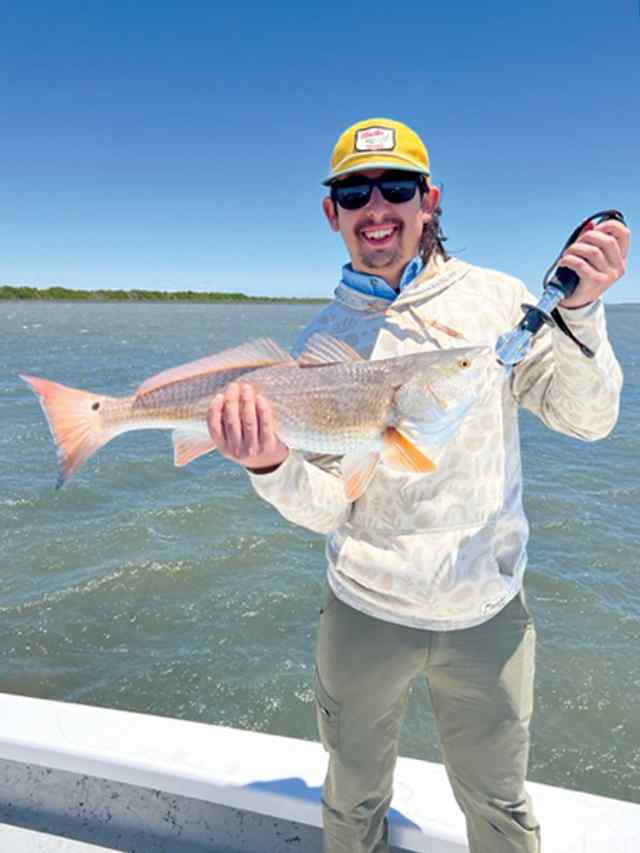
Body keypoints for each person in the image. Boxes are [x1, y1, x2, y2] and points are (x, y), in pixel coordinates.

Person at [206, 118, 631, 853]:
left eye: (397, 186)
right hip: (364, 609)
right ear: (331, 212)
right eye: (354, 190)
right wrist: (270, 466)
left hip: (487, 612)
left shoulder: (499, 306)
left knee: (500, 806)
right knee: (352, 797)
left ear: (428, 199)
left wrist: (583, 311)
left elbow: (587, 420)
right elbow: (328, 506)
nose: (378, 206)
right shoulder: (318, 345)